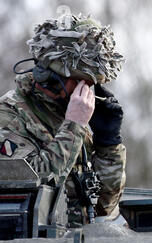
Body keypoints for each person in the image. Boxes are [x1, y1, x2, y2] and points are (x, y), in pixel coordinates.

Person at [0, 14, 126, 226]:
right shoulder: (10, 116)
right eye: (80, 81)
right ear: (49, 76)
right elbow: (30, 191)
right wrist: (74, 125)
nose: (86, 91)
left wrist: (109, 145)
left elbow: (104, 208)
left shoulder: (69, 115)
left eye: (90, 84)